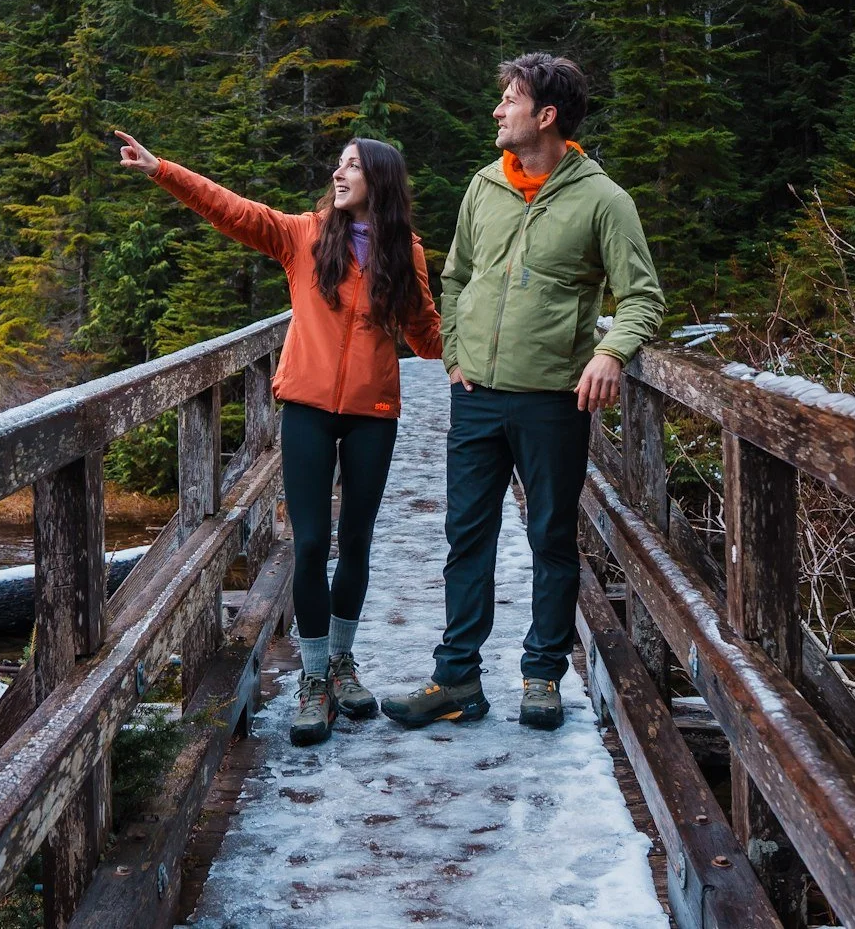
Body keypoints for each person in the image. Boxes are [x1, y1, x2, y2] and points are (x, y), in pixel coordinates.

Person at [116, 129, 444, 746]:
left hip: (374, 411)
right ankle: (314, 679)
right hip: (306, 410)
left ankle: (344, 665)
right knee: (314, 539)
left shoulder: (406, 253)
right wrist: (164, 169)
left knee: (357, 539)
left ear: (381, 181)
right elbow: (231, 210)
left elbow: (427, 334)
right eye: (338, 165)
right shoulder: (304, 235)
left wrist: (478, 363)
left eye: (353, 167)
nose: (339, 174)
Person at [381, 53, 664, 732]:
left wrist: (610, 351)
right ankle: (457, 680)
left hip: (552, 399)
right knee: (465, 535)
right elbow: (456, 277)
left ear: (547, 116)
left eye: (510, 99)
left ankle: (542, 676)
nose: (497, 110)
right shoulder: (484, 185)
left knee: (551, 536)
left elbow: (643, 298)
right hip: (476, 394)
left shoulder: (604, 200)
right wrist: (454, 352)